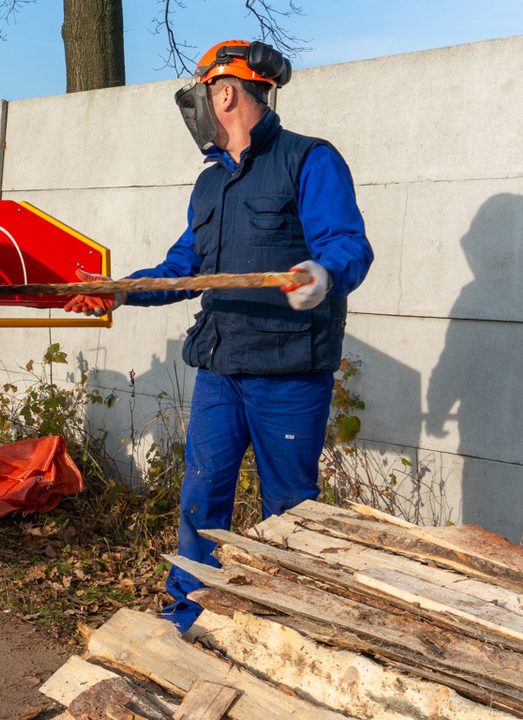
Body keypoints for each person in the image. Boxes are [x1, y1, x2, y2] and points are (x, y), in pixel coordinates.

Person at [64, 39, 373, 631]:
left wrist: (323, 274)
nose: (198, 104)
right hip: (220, 366)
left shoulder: (310, 160)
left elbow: (348, 246)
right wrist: (119, 288)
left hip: (288, 373)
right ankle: (186, 616)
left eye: (202, 91)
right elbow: (185, 268)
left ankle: (284, 628)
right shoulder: (210, 185)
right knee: (202, 498)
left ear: (225, 92)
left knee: (289, 512)